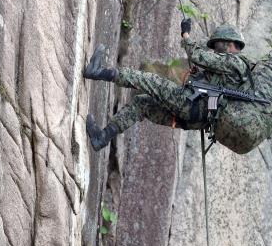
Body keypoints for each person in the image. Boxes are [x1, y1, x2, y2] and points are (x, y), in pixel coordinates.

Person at [84, 19, 253, 151]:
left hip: (192, 106)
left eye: (218, 45)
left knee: (149, 81)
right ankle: (102, 138)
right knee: (142, 104)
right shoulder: (237, 70)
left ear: (230, 44)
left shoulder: (235, 62)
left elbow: (197, 56)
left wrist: (185, 34)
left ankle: (98, 72)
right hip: (196, 118)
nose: (216, 49)